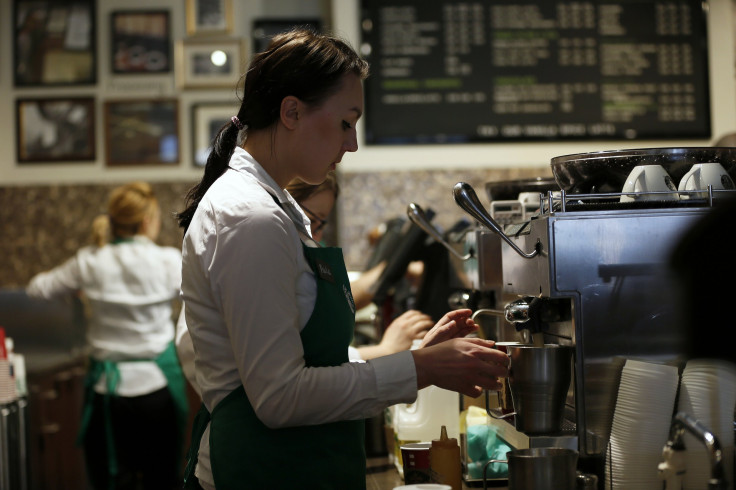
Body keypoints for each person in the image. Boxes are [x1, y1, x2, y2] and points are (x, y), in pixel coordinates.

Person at [176, 28, 509, 490]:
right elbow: (280, 397)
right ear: (291, 112)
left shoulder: (275, 208)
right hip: (263, 473)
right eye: (345, 123)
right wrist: (422, 368)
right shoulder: (248, 216)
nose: (351, 145)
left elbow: (305, 362)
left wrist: (415, 355)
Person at [26, 181, 188, 490]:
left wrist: (74, 289)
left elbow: (38, 288)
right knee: (162, 479)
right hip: (158, 390)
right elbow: (206, 297)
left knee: (114, 481)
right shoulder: (168, 261)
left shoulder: (89, 261)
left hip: (107, 393)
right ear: (146, 221)